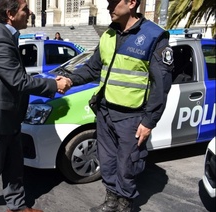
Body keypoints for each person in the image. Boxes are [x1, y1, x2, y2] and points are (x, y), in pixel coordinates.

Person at [57, 0, 174, 211]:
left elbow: (161, 84)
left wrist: (149, 121)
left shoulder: (154, 36)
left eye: (113, 2)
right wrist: (71, 80)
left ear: (131, 3)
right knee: (107, 160)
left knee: (127, 164)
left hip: (132, 117)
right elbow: (92, 68)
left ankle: (124, 204)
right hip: (105, 112)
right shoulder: (108, 35)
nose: (108, 7)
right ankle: (111, 201)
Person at [0, 0, 70, 211]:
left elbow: (15, 77)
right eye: (25, 9)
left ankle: (17, 206)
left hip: (9, 115)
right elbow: (19, 81)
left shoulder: (7, 36)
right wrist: (54, 85)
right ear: (10, 14)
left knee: (15, 166)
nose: (30, 12)